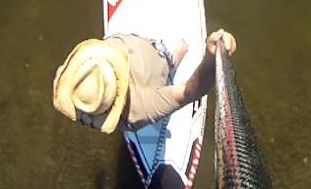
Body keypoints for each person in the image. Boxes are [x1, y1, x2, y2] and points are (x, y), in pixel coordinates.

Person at [52, 29, 237, 133]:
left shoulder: (77, 80)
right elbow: (190, 91)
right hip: (158, 63)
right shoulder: (140, 108)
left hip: (131, 42)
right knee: (170, 59)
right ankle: (173, 59)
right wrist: (211, 58)